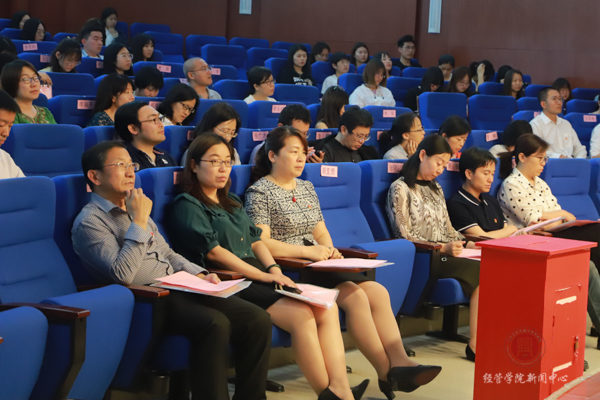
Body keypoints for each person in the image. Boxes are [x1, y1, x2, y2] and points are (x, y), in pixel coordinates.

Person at [165, 132, 370, 400]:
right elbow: (215, 254)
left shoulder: (231, 201)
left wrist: (274, 269)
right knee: (302, 316)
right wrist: (262, 276)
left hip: (257, 271)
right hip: (229, 278)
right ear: (193, 165)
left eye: (227, 161)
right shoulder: (186, 205)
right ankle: (330, 395)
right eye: (214, 161)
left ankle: (340, 389)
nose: (223, 168)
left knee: (326, 306)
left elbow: (255, 241)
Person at [246, 127, 442, 398]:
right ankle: (388, 372)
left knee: (377, 291)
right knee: (357, 297)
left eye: (303, 152)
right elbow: (262, 242)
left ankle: (399, 361)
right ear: (272, 155)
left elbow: (320, 232)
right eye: (293, 152)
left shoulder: (306, 187)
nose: (301, 158)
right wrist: (308, 253)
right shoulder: (260, 191)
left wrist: (329, 250)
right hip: (293, 266)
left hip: (318, 262)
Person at [72, 140, 272, 400]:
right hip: (147, 299)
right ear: (94, 176)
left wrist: (200, 273)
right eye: (120, 165)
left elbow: (167, 253)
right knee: (215, 324)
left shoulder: (133, 206)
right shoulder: (90, 222)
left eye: (131, 165)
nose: (131, 172)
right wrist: (139, 221)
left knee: (257, 319)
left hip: (180, 286)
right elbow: (122, 275)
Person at [450, 147, 600, 359]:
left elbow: (505, 233)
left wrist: (508, 232)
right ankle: (549, 348)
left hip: (513, 252)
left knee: (585, 266)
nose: (490, 179)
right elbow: (481, 239)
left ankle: (563, 345)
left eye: (492, 173)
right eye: (485, 173)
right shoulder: (458, 203)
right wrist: (508, 230)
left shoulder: (490, 201)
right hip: (489, 258)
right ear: (468, 173)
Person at [386, 134, 480, 361]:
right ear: (422, 155)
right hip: (425, 256)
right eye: (438, 162)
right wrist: (442, 248)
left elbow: (447, 227)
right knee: (481, 271)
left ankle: (482, 340)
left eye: (445, 165)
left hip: (446, 253)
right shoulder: (400, 188)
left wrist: (468, 242)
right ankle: (476, 344)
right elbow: (403, 235)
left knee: (491, 266)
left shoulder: (436, 188)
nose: (441, 169)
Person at [497, 134, 600, 284]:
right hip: (533, 240)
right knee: (595, 233)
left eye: (545, 158)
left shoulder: (541, 183)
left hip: (552, 234)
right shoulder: (511, 184)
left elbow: (557, 216)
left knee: (595, 233)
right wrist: (561, 214)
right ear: (522, 157)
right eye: (539, 158)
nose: (543, 163)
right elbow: (533, 220)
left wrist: (556, 218)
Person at [249, 103, 322, 165]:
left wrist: (314, 167)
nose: (301, 139)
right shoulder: (261, 151)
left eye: (305, 134)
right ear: (280, 127)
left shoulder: (307, 152)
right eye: (296, 133)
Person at [114, 101, 176, 170]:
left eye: (159, 119)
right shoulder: (122, 159)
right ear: (133, 129)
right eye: (154, 120)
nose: (161, 125)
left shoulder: (165, 156)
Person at [530, 87, 586, 159]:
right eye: (554, 99)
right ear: (543, 104)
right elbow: (536, 151)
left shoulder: (566, 124)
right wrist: (559, 157)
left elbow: (579, 148)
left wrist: (579, 160)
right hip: (549, 163)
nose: (559, 102)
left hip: (571, 162)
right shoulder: (535, 124)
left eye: (560, 99)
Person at [1, 60, 55, 124]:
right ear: (11, 84)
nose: (34, 84)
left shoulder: (46, 112)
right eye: (26, 79)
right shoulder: (7, 114)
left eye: (35, 77)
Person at [0, 90, 25, 179]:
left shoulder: (5, 158)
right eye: (1, 125)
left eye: (10, 126)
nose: (6, 133)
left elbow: (24, 185)